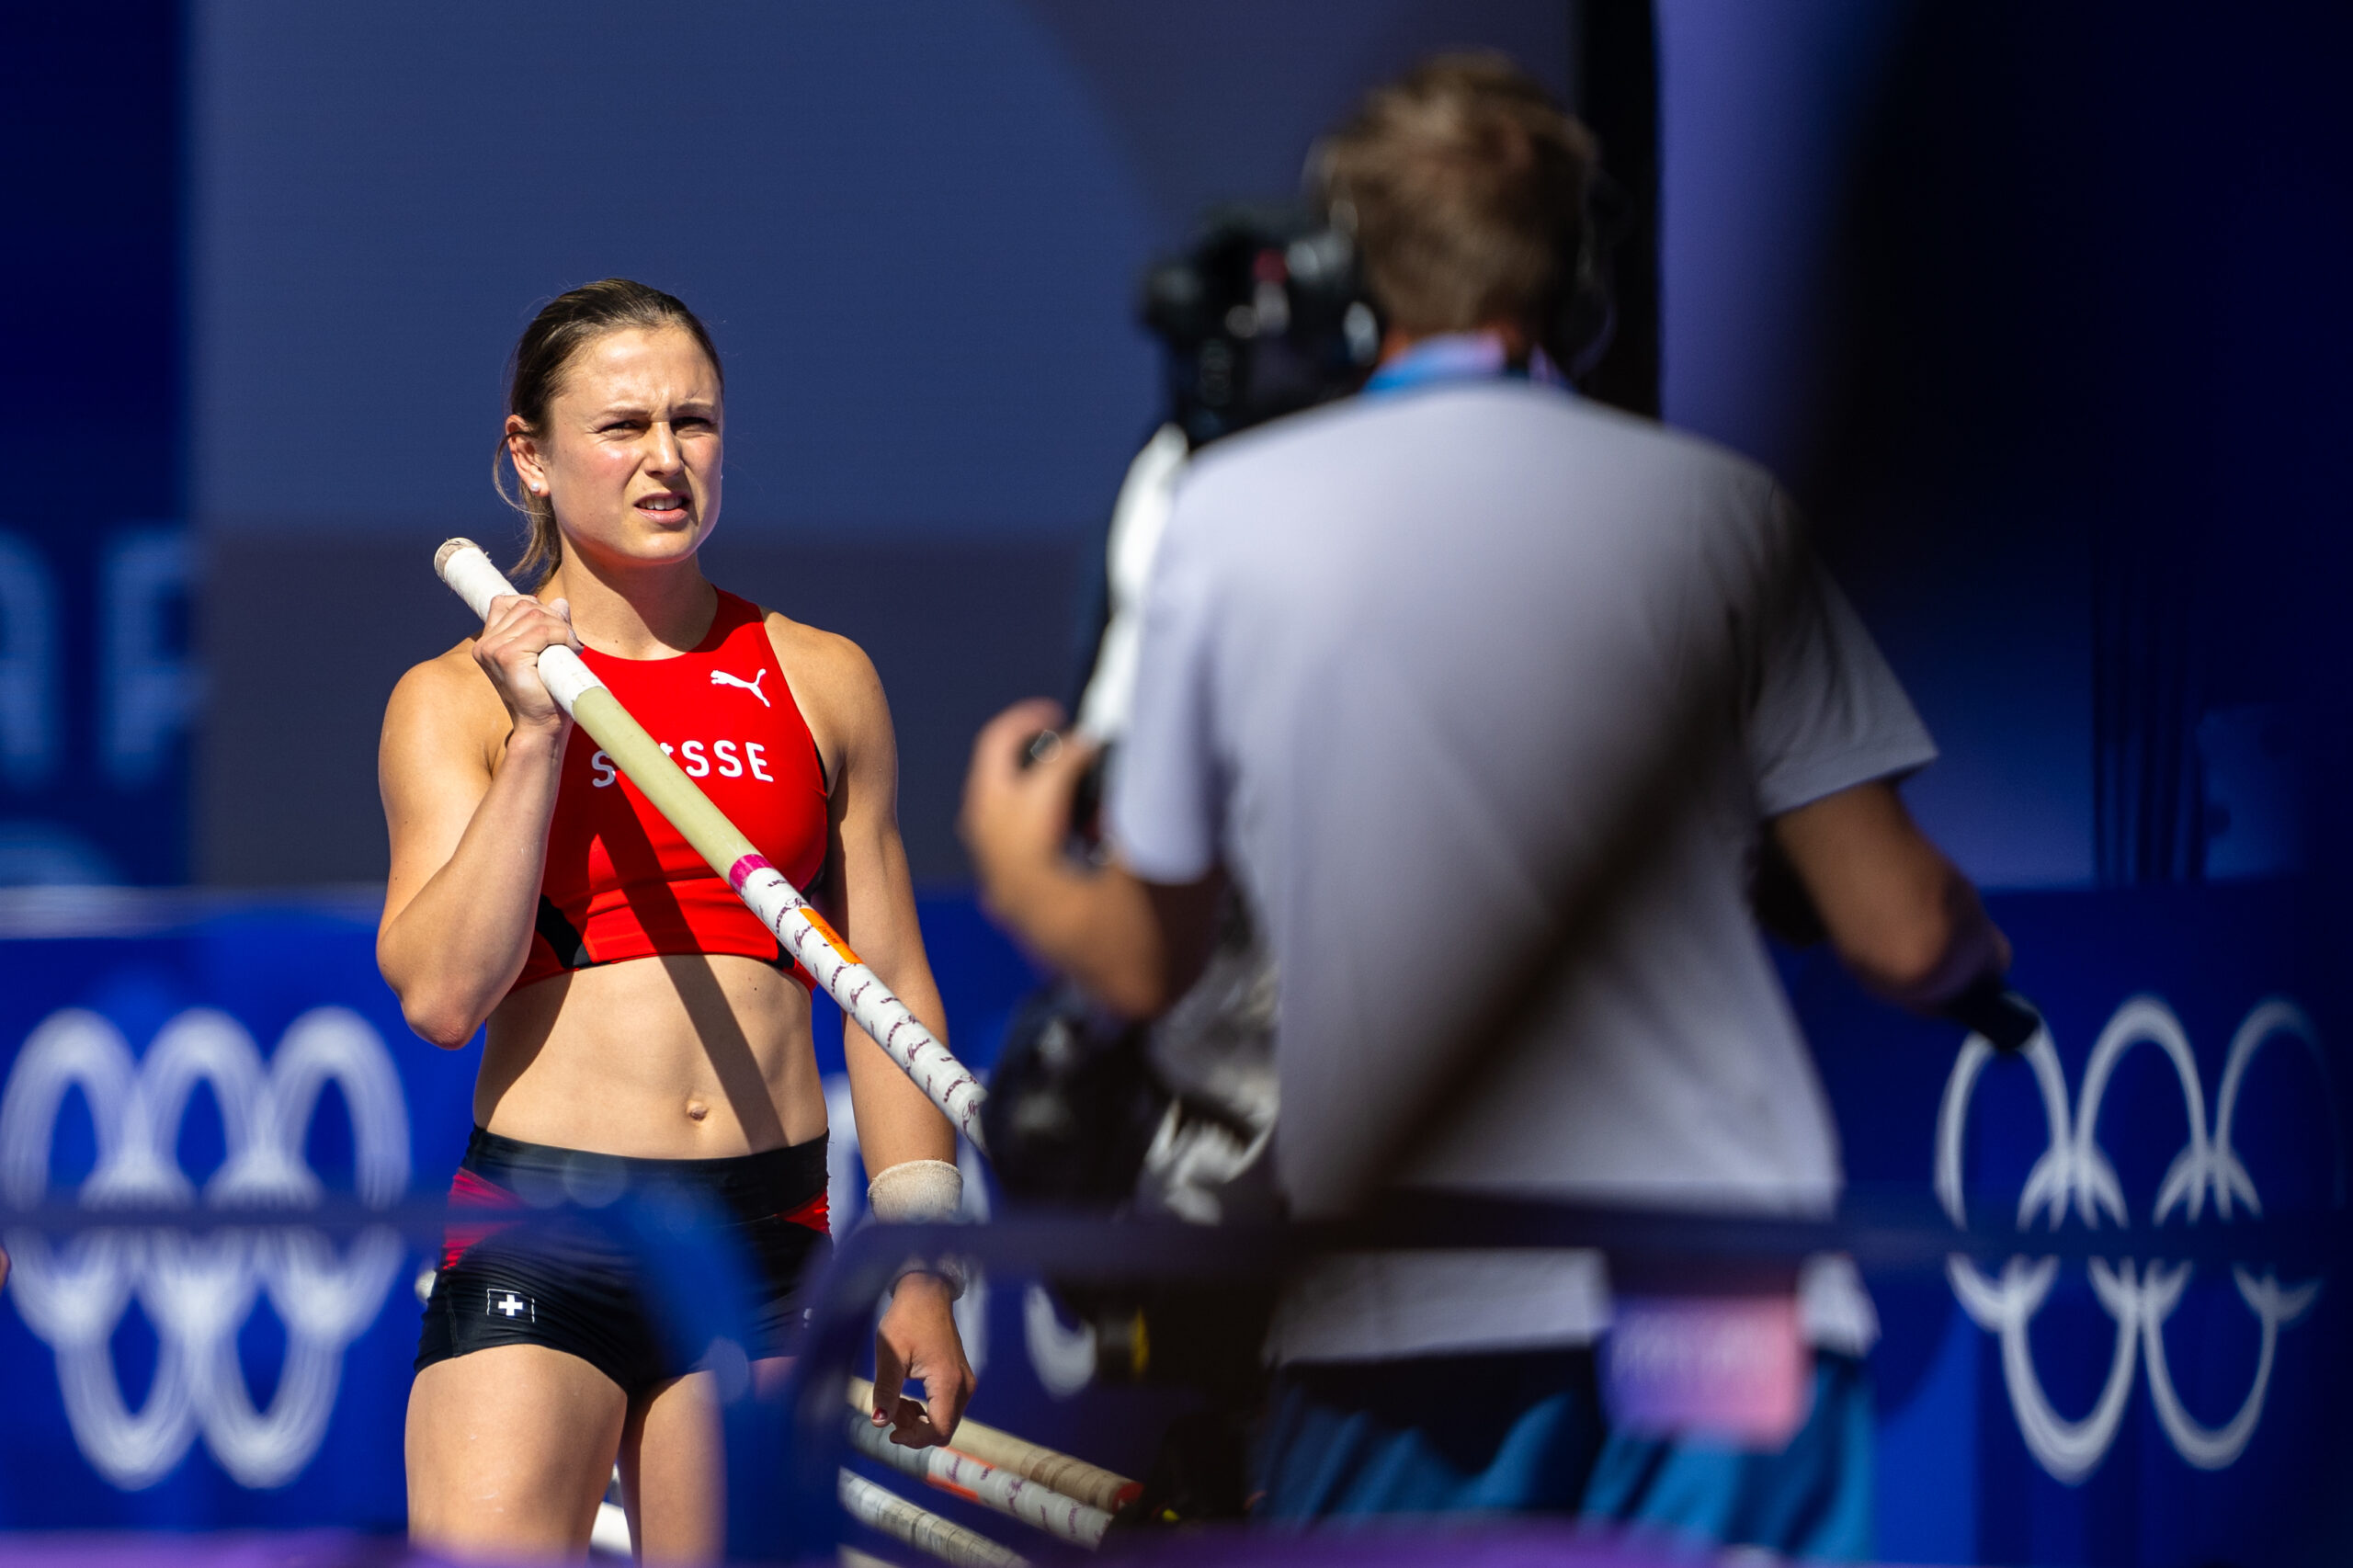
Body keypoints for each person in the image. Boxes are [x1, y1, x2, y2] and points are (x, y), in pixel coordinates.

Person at [960, 57, 2007, 1559]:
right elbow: (1906, 932)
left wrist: (1017, 863)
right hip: (1722, 1288)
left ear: (1341, 276)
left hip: (1412, 1298)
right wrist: (1985, 970)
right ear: (1579, 280)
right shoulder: (1720, 508)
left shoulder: (1230, 518)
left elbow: (1137, 960)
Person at [379, 278, 973, 1563]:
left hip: (766, 1239)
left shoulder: (821, 676)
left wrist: (922, 1257)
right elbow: (439, 996)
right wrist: (541, 734)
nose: (666, 457)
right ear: (528, 457)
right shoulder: (453, 701)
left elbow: (892, 988)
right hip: (550, 1227)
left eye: (693, 422)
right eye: (622, 425)